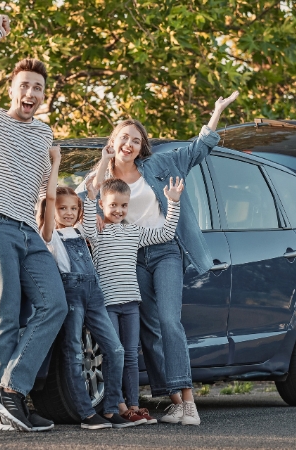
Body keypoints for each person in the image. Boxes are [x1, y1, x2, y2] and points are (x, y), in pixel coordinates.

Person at [84, 91, 238, 426]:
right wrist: (100, 163)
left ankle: (189, 403)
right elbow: (83, 201)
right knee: (149, 331)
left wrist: (216, 111)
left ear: (142, 148)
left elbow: (197, 151)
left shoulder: (157, 166)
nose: (130, 144)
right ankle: (174, 402)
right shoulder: (99, 180)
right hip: (129, 260)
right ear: (112, 141)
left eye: (136, 140)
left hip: (165, 250)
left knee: (169, 321)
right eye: (124, 138)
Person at [0, 14, 67, 432]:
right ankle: (12, 406)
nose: (31, 92)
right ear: (12, 89)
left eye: (38, 88)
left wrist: (48, 217)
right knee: (4, 309)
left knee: (55, 304)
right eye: (25, 85)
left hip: (28, 230)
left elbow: (43, 188)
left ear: (42, 96)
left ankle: (11, 392)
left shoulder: (43, 134)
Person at [36, 149, 139, 430]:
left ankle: (109, 408)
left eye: (72, 208)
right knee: (73, 352)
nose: (68, 213)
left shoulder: (82, 230)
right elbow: (50, 203)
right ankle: (85, 413)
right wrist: (54, 164)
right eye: (62, 208)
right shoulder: (51, 236)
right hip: (71, 296)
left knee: (115, 350)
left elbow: (93, 192)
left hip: (95, 294)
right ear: (52, 210)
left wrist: (105, 160)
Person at [82, 176, 184, 425]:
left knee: (130, 355)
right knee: (113, 354)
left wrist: (173, 203)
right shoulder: (97, 230)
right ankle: (117, 405)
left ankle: (134, 406)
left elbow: (166, 233)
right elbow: (84, 225)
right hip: (107, 305)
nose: (118, 210)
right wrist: (90, 198)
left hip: (131, 304)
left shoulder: (134, 232)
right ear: (103, 205)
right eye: (113, 205)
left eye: (123, 205)